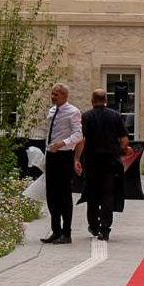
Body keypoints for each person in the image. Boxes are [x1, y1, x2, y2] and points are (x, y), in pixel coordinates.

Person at [76, 88, 129, 241]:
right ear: (106, 100)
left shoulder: (86, 117)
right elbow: (124, 140)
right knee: (108, 194)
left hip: (92, 160)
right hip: (111, 161)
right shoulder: (115, 116)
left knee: (92, 193)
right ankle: (105, 228)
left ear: (92, 100)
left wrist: (77, 159)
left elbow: (82, 139)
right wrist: (121, 150)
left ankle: (93, 225)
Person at [40, 84, 83, 244]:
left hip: (64, 155)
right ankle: (55, 230)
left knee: (64, 194)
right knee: (52, 195)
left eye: (56, 94)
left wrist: (63, 143)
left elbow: (78, 134)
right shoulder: (52, 111)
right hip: (51, 155)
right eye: (52, 94)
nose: (53, 97)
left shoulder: (73, 112)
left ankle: (67, 232)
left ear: (65, 96)